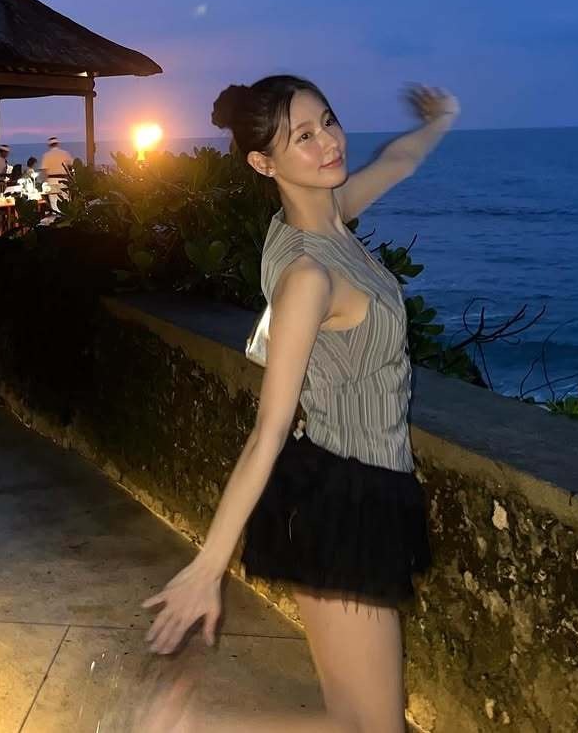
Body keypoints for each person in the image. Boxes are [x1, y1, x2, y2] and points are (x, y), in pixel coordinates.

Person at [141, 77, 459, 732]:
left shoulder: (325, 212)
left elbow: (397, 162)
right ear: (264, 163)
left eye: (328, 121)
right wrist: (208, 567)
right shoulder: (309, 276)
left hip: (357, 486)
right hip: (343, 498)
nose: (329, 142)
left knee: (360, 724)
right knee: (370, 729)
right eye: (303, 137)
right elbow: (268, 431)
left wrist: (438, 120)